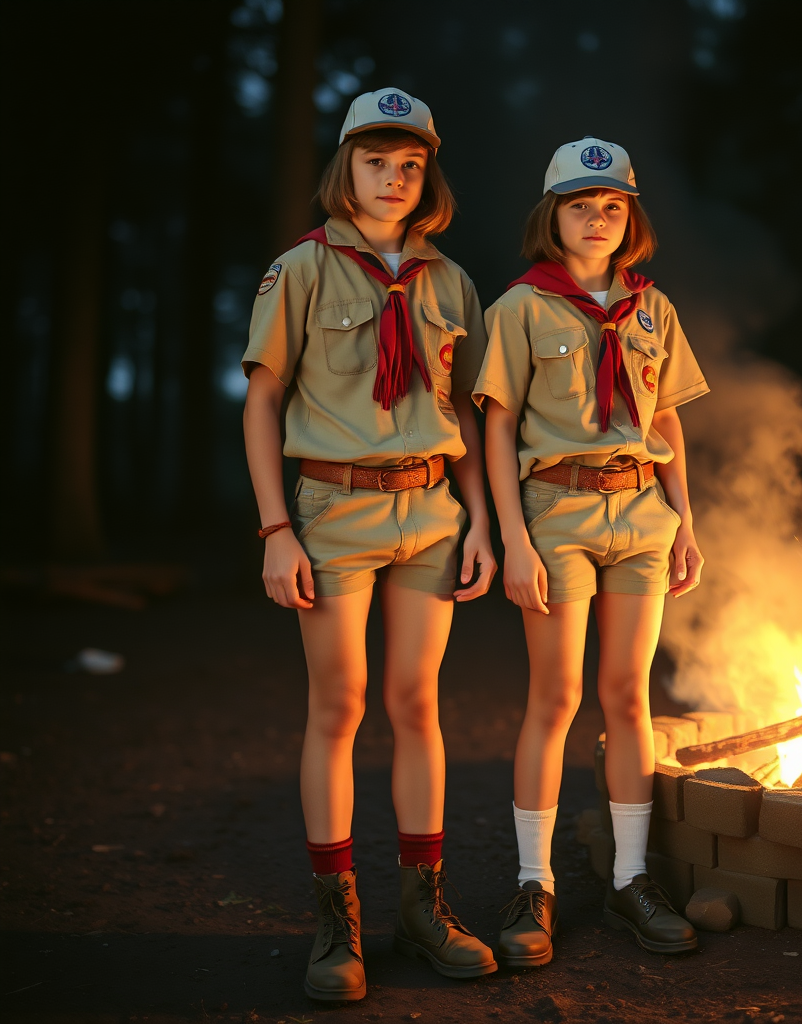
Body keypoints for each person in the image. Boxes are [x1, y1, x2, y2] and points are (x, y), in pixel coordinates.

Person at [242, 87, 498, 1002]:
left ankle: (423, 910)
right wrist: (278, 530)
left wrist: (483, 524)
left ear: (426, 176)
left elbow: (464, 408)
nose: (393, 178)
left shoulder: (450, 281)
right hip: (334, 511)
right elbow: (263, 402)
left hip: (430, 512)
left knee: (416, 703)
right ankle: (335, 926)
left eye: (411, 164)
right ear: (342, 168)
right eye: (375, 160)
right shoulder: (300, 271)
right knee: (339, 705)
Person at [474, 137, 709, 965]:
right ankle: (534, 886)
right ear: (553, 215)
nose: (598, 218)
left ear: (629, 218)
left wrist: (685, 518)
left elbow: (668, 418)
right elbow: (497, 427)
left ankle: (631, 883)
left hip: (642, 514)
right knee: (557, 696)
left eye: (613, 206)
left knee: (628, 695)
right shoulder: (520, 309)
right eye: (581, 205)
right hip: (558, 513)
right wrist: (514, 539)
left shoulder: (653, 310)